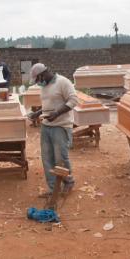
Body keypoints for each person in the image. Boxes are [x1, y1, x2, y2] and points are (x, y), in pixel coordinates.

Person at [27, 63, 78, 198]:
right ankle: (52, 188)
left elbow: (73, 100)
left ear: (43, 75)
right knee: (47, 158)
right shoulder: (45, 87)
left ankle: (68, 182)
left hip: (61, 125)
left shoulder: (63, 82)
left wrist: (56, 114)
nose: (38, 83)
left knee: (60, 157)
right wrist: (37, 113)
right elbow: (47, 105)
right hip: (46, 126)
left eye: (38, 80)